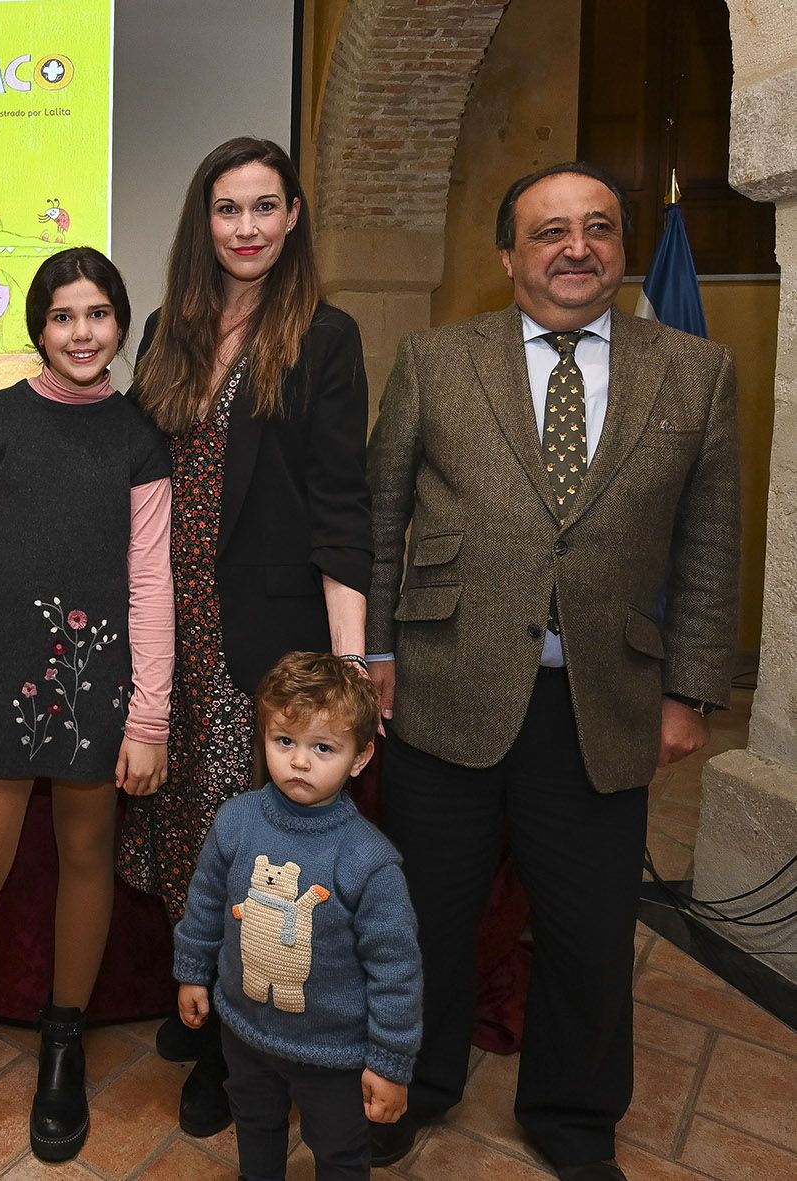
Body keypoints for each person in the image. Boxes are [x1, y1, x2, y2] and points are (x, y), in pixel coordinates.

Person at [364, 162, 739, 1181]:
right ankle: (407, 1083)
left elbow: (708, 544)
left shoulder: (694, 370)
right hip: (445, 687)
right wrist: (376, 655)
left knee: (583, 929)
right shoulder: (434, 360)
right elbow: (378, 510)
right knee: (424, 917)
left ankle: (574, 1114)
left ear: (620, 247)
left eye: (598, 227)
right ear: (507, 255)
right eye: (549, 231)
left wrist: (689, 688)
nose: (576, 247)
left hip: (601, 700)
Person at [115, 136, 373, 1135]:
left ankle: (235, 1051)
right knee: (180, 834)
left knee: (254, 857)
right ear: (203, 220)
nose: (248, 227)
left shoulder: (325, 335)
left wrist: (346, 671)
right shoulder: (165, 328)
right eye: (229, 209)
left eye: (266, 207)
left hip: (260, 644)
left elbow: (340, 505)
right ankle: (202, 1001)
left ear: (294, 216)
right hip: (162, 632)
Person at [0, 247, 172, 1164]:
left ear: (121, 325)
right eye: (64, 316)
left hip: (100, 686)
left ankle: (64, 1046)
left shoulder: (140, 437)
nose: (82, 332)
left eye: (98, 314)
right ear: (38, 327)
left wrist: (149, 716)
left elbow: (151, 585)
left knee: (86, 861)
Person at [174, 652, 421, 1181]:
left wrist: (390, 1063)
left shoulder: (367, 860)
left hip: (333, 1054)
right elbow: (205, 905)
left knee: (338, 1150)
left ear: (360, 757)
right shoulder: (236, 822)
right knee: (254, 1122)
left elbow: (396, 973)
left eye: (323, 747)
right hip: (244, 1032)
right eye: (285, 741)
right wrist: (192, 972)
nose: (299, 762)